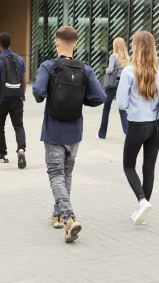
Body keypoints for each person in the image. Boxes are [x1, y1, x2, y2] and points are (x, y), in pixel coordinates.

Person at [33, 26, 105, 242]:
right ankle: (57, 216)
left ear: (56, 42)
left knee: (55, 174)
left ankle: (69, 218)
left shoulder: (48, 66)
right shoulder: (85, 69)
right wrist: (80, 99)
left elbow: (37, 91)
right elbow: (99, 97)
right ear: (76, 43)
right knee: (66, 173)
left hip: (53, 130)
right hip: (74, 131)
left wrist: (47, 97)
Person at [117, 31, 159, 226]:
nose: (131, 46)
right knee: (149, 168)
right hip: (157, 125)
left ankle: (141, 201)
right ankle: (143, 208)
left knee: (128, 165)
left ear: (137, 47)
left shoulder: (129, 72)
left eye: (133, 43)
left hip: (137, 124)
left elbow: (121, 104)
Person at [0, 32, 27, 169]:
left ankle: (3, 154)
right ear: (10, 43)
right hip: (17, 99)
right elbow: (24, 81)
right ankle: (21, 149)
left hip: (2, 100)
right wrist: (21, 96)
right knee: (18, 125)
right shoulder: (20, 60)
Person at [97, 37, 129, 139]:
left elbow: (110, 70)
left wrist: (106, 69)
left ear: (115, 45)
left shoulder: (113, 56)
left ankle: (102, 134)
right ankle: (128, 132)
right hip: (122, 84)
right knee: (122, 109)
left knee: (106, 109)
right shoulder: (126, 57)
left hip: (112, 85)